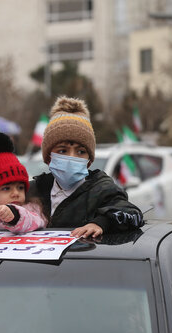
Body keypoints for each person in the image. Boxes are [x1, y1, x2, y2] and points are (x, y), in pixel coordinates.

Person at [28, 96, 144, 238]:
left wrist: (101, 223)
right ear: (48, 156)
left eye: (81, 152)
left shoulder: (102, 190)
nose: (72, 157)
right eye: (62, 151)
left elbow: (132, 213)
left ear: (89, 159)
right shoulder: (32, 190)